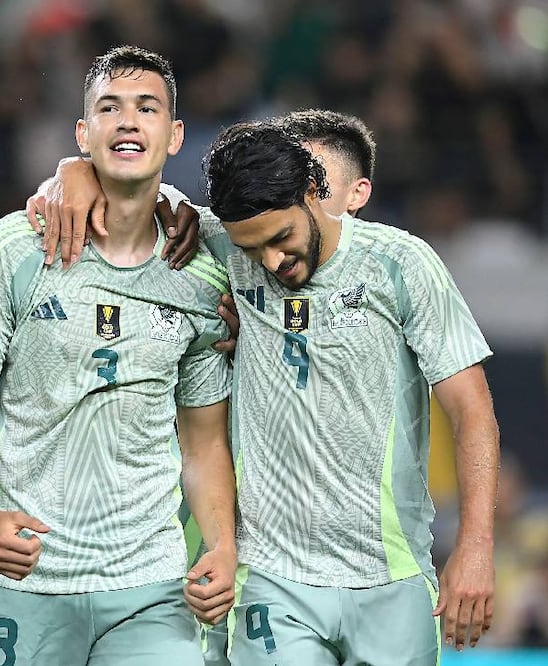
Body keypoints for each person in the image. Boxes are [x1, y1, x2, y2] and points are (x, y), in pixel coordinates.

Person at [0, 46, 236, 666]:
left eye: (147, 108)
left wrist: (223, 545)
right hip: (26, 576)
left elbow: (203, 440)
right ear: (82, 132)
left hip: (149, 587)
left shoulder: (206, 266)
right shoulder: (12, 249)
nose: (128, 122)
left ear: (175, 135)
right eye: (110, 108)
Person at [200, 121, 497, 663]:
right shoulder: (227, 243)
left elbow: (472, 410)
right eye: (252, 248)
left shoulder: (401, 264)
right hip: (272, 574)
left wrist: (475, 545)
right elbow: (138, 199)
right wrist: (70, 175)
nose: (269, 261)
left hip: (391, 572)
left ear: (315, 193)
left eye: (281, 239)